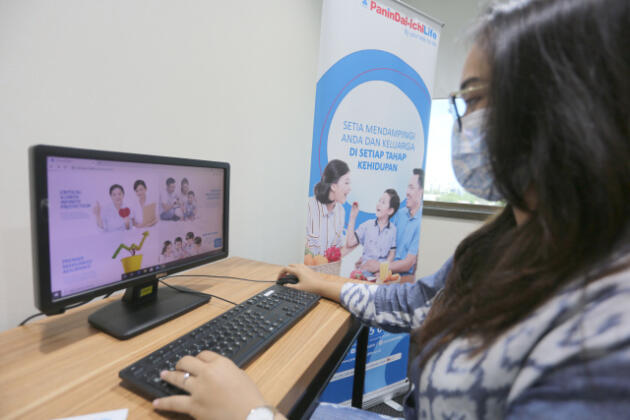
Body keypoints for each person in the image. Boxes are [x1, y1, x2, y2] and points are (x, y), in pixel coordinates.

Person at [151, 0, 630, 418]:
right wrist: (323, 282)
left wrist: (251, 415)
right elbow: (414, 302)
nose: (463, 123)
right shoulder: (503, 242)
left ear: (564, 105)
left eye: (474, 99)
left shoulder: (609, 343)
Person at [359, 169, 424, 281]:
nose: (407, 192)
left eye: (411, 188)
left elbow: (408, 263)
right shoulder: (400, 214)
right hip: (385, 268)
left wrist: (379, 267)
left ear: (421, 191)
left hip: (401, 277)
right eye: (407, 187)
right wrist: (367, 260)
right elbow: (385, 242)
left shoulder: (421, 222)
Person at [346, 189, 400, 278]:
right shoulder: (367, 225)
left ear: (390, 211)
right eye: (379, 200)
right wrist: (352, 217)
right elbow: (350, 243)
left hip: (380, 274)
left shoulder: (393, 230)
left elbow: (391, 255)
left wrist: (383, 271)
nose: (378, 204)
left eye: (383, 202)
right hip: (364, 270)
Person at [306, 159, 352, 257]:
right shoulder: (308, 207)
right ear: (334, 186)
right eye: (346, 183)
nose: (350, 188)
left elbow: (336, 251)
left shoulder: (340, 211)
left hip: (328, 266)